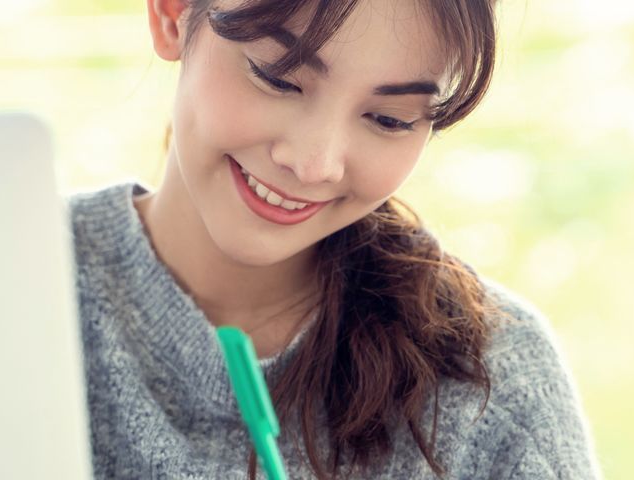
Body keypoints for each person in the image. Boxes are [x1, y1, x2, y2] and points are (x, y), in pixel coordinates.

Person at [68, 0, 601, 477]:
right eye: (277, 77)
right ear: (172, 13)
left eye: (388, 120)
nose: (313, 164)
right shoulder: (3, 279)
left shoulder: (490, 379)